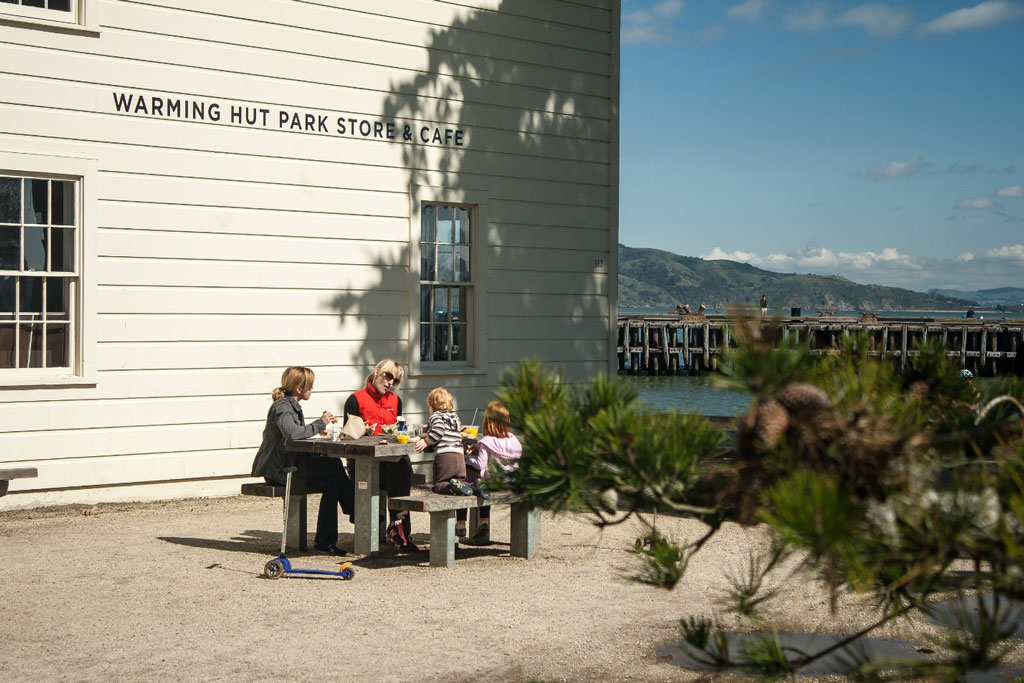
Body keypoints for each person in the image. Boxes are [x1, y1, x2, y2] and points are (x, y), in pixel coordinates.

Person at [251, 366, 353, 556]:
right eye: (310, 387)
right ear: (299, 388)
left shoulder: (290, 405)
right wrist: (319, 423)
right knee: (333, 464)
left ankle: (325, 541)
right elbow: (292, 434)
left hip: (292, 465)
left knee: (333, 482)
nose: (311, 390)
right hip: (281, 470)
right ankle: (355, 508)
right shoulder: (282, 407)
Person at [343, 359, 417, 552]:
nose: (390, 383)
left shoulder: (395, 401)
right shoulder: (355, 399)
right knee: (401, 468)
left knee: (402, 465)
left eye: (396, 381)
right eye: (388, 376)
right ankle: (397, 528)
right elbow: (347, 437)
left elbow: (396, 431)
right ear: (377, 372)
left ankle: (398, 526)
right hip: (362, 461)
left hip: (389, 461)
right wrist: (362, 432)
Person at [461, 401, 522, 544]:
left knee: (470, 483)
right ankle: (482, 522)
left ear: (488, 420)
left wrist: (468, 458)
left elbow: (480, 465)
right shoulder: (513, 440)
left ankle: (472, 522)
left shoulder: (487, 440)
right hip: (511, 482)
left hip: (493, 484)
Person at [415, 387, 472, 496]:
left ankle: (451, 488)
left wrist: (426, 441)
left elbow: (438, 430)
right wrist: (426, 429)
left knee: (439, 484)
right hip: (459, 456)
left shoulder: (435, 416)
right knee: (460, 483)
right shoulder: (455, 417)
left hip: (445, 457)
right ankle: (473, 487)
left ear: (431, 406)